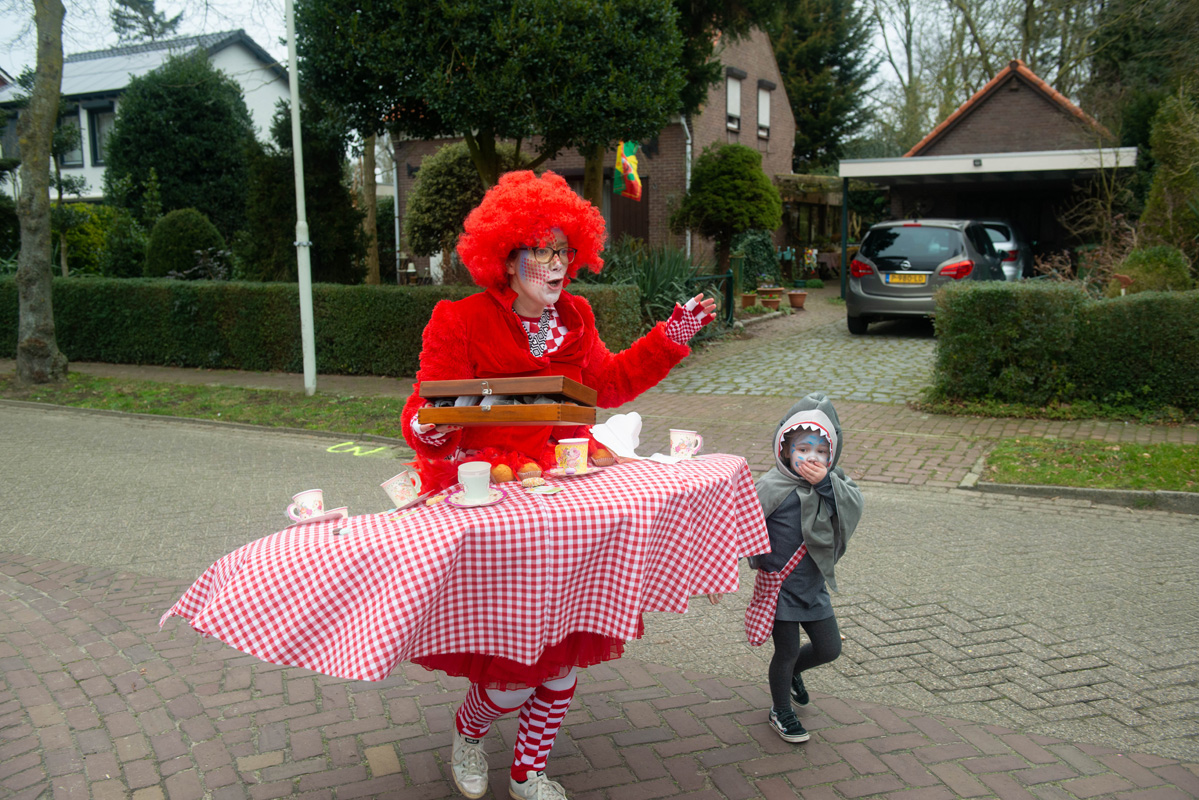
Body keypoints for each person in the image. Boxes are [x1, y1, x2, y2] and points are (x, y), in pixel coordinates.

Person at [399, 170, 715, 800]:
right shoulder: (460, 320)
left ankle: (528, 773)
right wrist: (434, 426)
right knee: (511, 674)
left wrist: (671, 336)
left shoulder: (576, 316)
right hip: (497, 501)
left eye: (565, 251)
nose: (557, 265)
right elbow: (424, 409)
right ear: (505, 257)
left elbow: (609, 384)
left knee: (562, 663)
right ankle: (469, 733)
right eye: (541, 251)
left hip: (565, 496)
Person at [752, 392, 863, 743]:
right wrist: (716, 574)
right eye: (802, 449)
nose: (811, 458)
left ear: (831, 455)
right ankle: (780, 710)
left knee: (829, 648)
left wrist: (825, 483)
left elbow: (851, 506)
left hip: (813, 586)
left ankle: (793, 675)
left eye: (821, 451)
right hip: (779, 587)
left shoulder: (833, 484)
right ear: (785, 450)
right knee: (785, 651)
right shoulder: (770, 485)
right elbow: (740, 527)